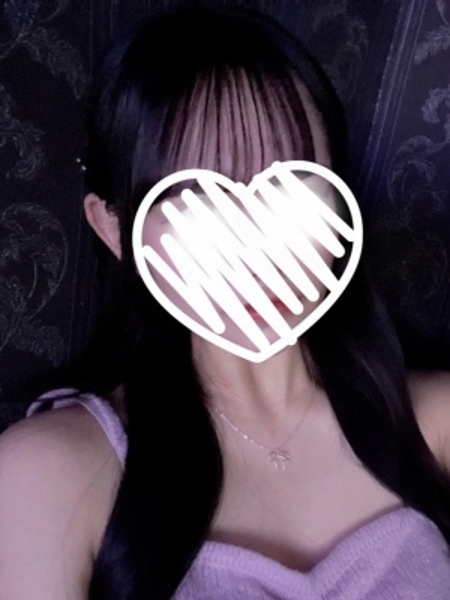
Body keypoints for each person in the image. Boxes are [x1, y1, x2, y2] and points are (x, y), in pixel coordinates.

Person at [1, 5, 450, 599]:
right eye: (195, 198)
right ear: (114, 229)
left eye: (290, 185)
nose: (253, 243)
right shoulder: (47, 475)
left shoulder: (436, 421)